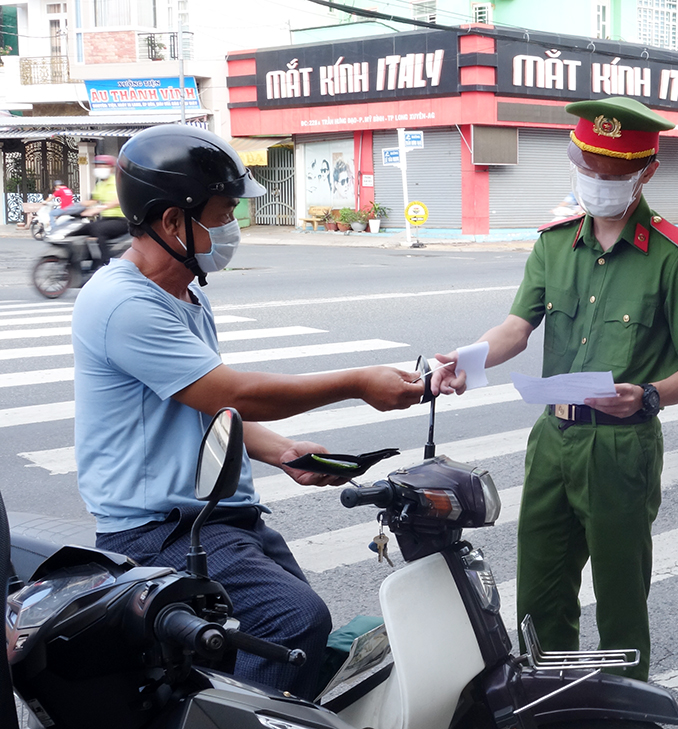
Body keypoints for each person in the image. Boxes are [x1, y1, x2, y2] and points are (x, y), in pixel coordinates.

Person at [70, 125, 424, 699]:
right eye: (224, 211)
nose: (234, 225)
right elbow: (231, 393)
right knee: (291, 624)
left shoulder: (185, 292)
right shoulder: (122, 304)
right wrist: (358, 382)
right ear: (171, 222)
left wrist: (281, 450)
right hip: (158, 532)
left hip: (216, 518)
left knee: (299, 639)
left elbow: (202, 409)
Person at [430, 97, 678, 682]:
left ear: (645, 173)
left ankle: (624, 707)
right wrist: (467, 360)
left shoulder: (674, 257)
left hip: (622, 448)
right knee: (539, 593)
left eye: (610, 174)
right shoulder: (554, 243)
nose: (595, 182)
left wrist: (649, 395)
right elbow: (517, 328)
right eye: (586, 167)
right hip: (553, 440)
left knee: (619, 595)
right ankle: (547, 702)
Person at [79, 154, 130, 264]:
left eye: (102, 166)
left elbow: (118, 200)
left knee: (99, 230)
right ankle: (86, 259)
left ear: (111, 168)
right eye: (97, 166)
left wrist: (99, 208)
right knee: (84, 228)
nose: (99, 169)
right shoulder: (100, 184)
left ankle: (105, 263)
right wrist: (75, 207)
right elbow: (93, 200)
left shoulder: (118, 181)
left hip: (121, 220)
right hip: (106, 219)